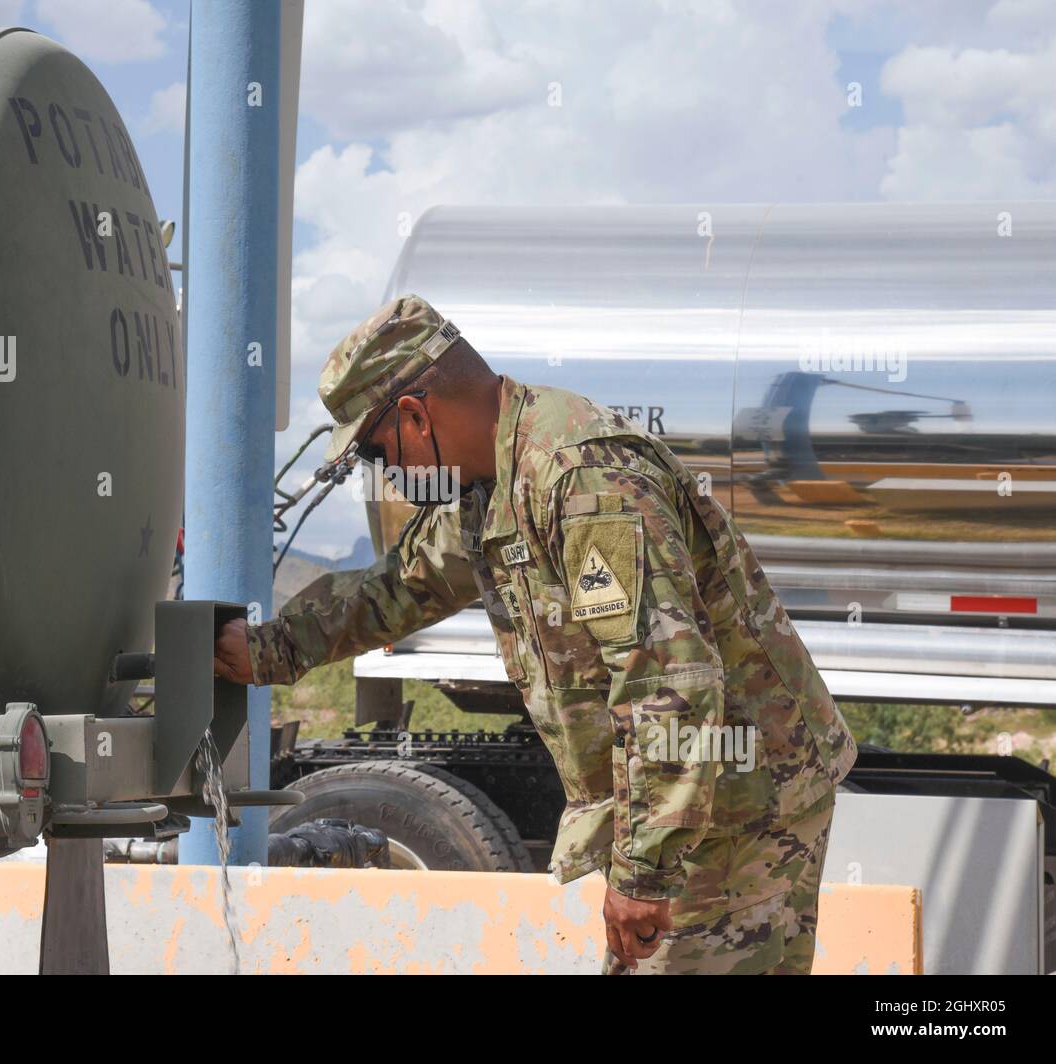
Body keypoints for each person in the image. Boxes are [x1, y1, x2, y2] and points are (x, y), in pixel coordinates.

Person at [213, 294, 857, 974]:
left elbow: (667, 682)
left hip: (740, 801)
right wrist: (268, 649)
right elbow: (402, 585)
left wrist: (643, 872)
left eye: (378, 452)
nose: (388, 473)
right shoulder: (492, 482)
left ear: (414, 414)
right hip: (694, 801)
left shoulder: (580, 478)